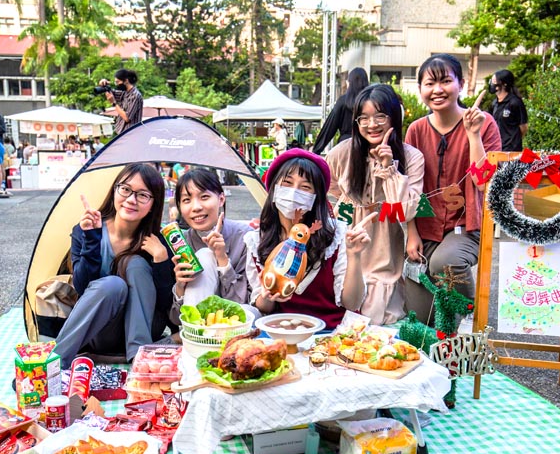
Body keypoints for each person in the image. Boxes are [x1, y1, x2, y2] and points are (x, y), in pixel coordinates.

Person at [404, 53, 502, 325]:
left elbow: (483, 182)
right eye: (429, 83)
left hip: (466, 227)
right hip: (424, 230)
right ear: (421, 89)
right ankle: (442, 340)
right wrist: (411, 233)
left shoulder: (484, 124)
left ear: (461, 83)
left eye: (446, 81)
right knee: (419, 320)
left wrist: (473, 135)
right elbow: (409, 188)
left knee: (446, 263)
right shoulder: (415, 130)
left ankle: (468, 314)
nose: (437, 90)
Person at [52, 164, 175, 367]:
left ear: (153, 203)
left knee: (135, 263)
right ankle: (54, 364)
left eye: (143, 195)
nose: (131, 200)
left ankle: (140, 359)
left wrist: (161, 262)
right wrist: (91, 239)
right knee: (113, 285)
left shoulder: (158, 242)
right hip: (101, 331)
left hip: (144, 331)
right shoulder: (88, 229)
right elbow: (83, 288)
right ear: (115, 190)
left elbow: (165, 306)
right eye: (125, 189)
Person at [326, 84, 426, 325]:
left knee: (379, 307)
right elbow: (328, 186)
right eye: (364, 118)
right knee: (342, 285)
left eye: (380, 116)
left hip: (385, 237)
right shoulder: (343, 152)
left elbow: (407, 208)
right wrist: (350, 204)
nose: (372, 125)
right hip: (349, 230)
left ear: (394, 117)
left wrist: (390, 169)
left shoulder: (412, 157)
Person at [244, 149, 370, 329]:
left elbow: (352, 303)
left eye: (305, 187)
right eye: (287, 183)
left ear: (316, 197)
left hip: (334, 335)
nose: (294, 192)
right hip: (283, 334)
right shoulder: (257, 240)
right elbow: (264, 307)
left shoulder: (337, 235)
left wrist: (355, 256)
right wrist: (266, 295)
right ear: (273, 189)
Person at [168, 169, 252, 324]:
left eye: (204, 197)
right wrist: (180, 286)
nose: (196, 207)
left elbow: (245, 303)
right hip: (198, 328)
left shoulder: (245, 237)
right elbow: (176, 319)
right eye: (187, 200)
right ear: (179, 206)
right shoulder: (181, 243)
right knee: (205, 255)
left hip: (237, 325)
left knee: (206, 255)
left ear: (221, 199)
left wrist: (222, 260)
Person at [313, 67, 370, 154]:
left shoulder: (343, 101)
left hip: (345, 146)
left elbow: (330, 126)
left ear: (350, 83)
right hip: (366, 145)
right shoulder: (371, 102)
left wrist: (316, 150)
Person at [488, 69, 528, 152]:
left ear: (504, 84)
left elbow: (523, 127)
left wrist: (513, 140)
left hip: (512, 149)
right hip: (497, 148)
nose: (492, 84)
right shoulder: (494, 103)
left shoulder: (515, 102)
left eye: (494, 81)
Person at [99, 68, 143, 136]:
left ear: (126, 81)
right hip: (121, 133)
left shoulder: (135, 95)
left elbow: (127, 118)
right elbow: (111, 94)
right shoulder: (124, 93)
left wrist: (114, 103)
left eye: (117, 82)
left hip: (131, 134)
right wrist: (103, 85)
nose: (116, 84)